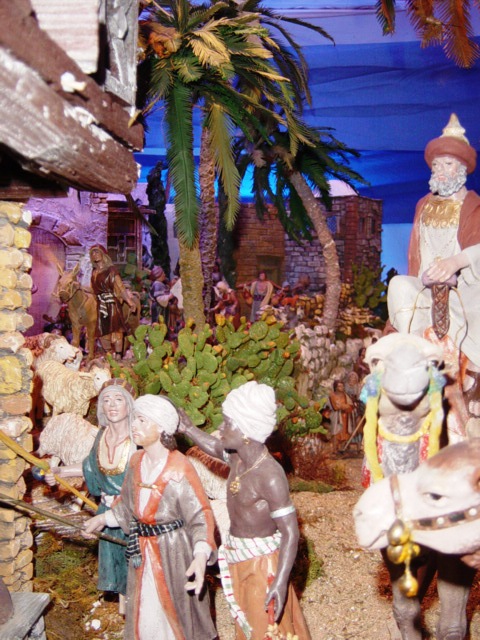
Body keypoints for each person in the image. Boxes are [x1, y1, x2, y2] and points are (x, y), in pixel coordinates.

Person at [178, 380, 311, 640]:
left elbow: (290, 532)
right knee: (247, 621)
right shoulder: (238, 457)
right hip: (239, 555)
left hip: (262, 564)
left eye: (227, 422)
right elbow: (214, 447)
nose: (221, 427)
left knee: (265, 627)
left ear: (247, 431)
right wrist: (189, 429)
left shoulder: (270, 475)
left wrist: (280, 581)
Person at [84, 394, 217, 640]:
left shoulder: (179, 468)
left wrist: (200, 556)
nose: (134, 425)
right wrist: (102, 519)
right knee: (144, 611)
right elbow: (127, 507)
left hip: (173, 553)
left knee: (175, 611)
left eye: (142, 420)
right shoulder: (136, 461)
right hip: (142, 553)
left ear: (161, 427)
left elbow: (201, 515)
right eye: (135, 419)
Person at [387, 114, 480, 421]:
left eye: (448, 164)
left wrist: (456, 263)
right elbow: (417, 253)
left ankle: (472, 372)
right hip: (427, 287)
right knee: (399, 285)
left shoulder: (473, 206)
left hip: (464, 289)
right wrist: (425, 277)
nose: (440, 170)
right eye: (436, 165)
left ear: (462, 169)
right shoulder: (423, 205)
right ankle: (414, 355)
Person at [46, 379, 137, 610]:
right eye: (106, 400)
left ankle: (138, 618)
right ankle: (125, 616)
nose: (112, 405)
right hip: (107, 511)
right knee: (118, 571)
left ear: (129, 405)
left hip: (132, 514)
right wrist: (61, 471)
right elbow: (90, 467)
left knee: (135, 570)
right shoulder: (102, 436)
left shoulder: (138, 440)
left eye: (118, 399)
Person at [89, 244, 137, 359]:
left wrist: (130, 302)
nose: (95, 254)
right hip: (101, 306)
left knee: (116, 331)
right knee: (102, 331)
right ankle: (109, 356)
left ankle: (118, 357)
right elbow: (93, 290)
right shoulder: (94, 272)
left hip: (112, 305)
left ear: (103, 254)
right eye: (93, 253)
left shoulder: (111, 270)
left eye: (97, 252)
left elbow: (120, 287)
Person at [328, 380, 355, 454]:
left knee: (344, 432)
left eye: (342, 386)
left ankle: (342, 448)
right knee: (336, 432)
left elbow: (350, 405)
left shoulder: (345, 395)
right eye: (340, 386)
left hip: (345, 417)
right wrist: (344, 406)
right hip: (336, 416)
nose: (342, 387)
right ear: (336, 387)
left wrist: (344, 406)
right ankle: (334, 449)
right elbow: (336, 406)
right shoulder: (332, 395)